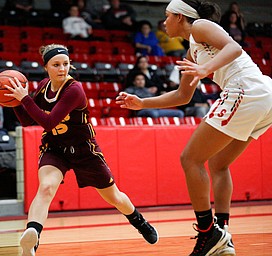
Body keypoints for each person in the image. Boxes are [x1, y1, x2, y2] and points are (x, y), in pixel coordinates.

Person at [116, 0, 272, 255]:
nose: (163, 21)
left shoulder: (200, 26)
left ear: (179, 16)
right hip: (263, 97)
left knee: (190, 159)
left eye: (166, 16)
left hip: (246, 89)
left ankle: (207, 232)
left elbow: (233, 46)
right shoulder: (192, 50)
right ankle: (223, 234)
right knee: (218, 164)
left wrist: (205, 69)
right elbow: (182, 96)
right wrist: (142, 101)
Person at [5, 44, 158, 256]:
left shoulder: (74, 89)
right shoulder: (43, 86)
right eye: (56, 65)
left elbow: (48, 121)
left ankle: (140, 222)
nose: (62, 68)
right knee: (47, 187)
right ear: (46, 67)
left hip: (84, 149)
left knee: (114, 197)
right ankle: (32, 237)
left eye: (66, 64)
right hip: (55, 147)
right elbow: (27, 121)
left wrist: (25, 99)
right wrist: (13, 101)